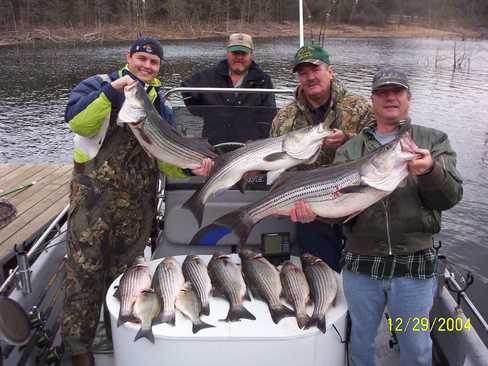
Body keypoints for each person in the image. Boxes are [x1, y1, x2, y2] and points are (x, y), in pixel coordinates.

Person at [296, 67, 464, 365]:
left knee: (415, 346)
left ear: (409, 98)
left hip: (414, 265)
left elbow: (449, 198)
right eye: (382, 93)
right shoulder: (352, 148)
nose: (390, 98)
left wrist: (430, 172)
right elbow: (339, 213)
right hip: (362, 265)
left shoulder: (433, 141)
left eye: (397, 91)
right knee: (360, 341)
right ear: (372, 101)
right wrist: (315, 213)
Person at [62, 36, 208, 366]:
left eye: (153, 62)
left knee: (126, 281)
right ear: (128, 57)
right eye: (141, 58)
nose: (146, 65)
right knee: (83, 278)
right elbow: (76, 120)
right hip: (92, 204)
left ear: (158, 68)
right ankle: (78, 351)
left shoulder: (162, 108)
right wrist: (113, 91)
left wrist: (192, 166)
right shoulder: (99, 85)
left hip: (137, 208)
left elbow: (166, 160)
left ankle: (123, 342)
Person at [270, 45, 372, 272]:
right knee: (322, 276)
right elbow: (277, 167)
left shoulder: (359, 107)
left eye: (315, 70)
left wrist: (347, 138)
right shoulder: (285, 117)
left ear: (330, 71)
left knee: (360, 279)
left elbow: (380, 149)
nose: (310, 77)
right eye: (303, 73)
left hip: (358, 204)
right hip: (313, 210)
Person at [181, 33, 276, 146]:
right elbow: (186, 88)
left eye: (244, 53)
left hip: (247, 149)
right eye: (235, 53)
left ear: (251, 55)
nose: (239, 57)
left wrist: (257, 139)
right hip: (212, 146)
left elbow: (268, 116)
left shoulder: (264, 81)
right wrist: (203, 111)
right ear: (228, 53)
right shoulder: (209, 75)